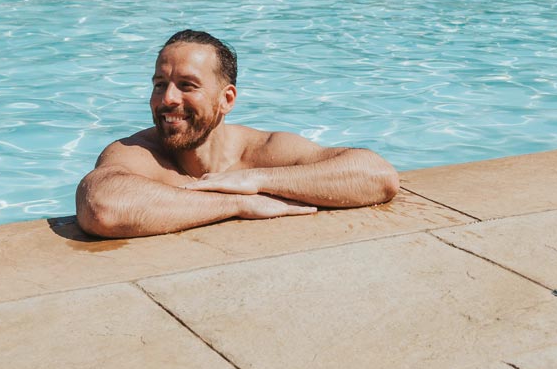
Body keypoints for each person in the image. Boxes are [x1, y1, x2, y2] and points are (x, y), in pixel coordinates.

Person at [74, 29, 400, 239]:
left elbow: (377, 176)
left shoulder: (262, 151)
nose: (168, 99)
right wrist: (235, 204)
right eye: (160, 84)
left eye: (187, 85)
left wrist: (254, 180)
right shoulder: (138, 153)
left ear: (226, 99)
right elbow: (101, 206)